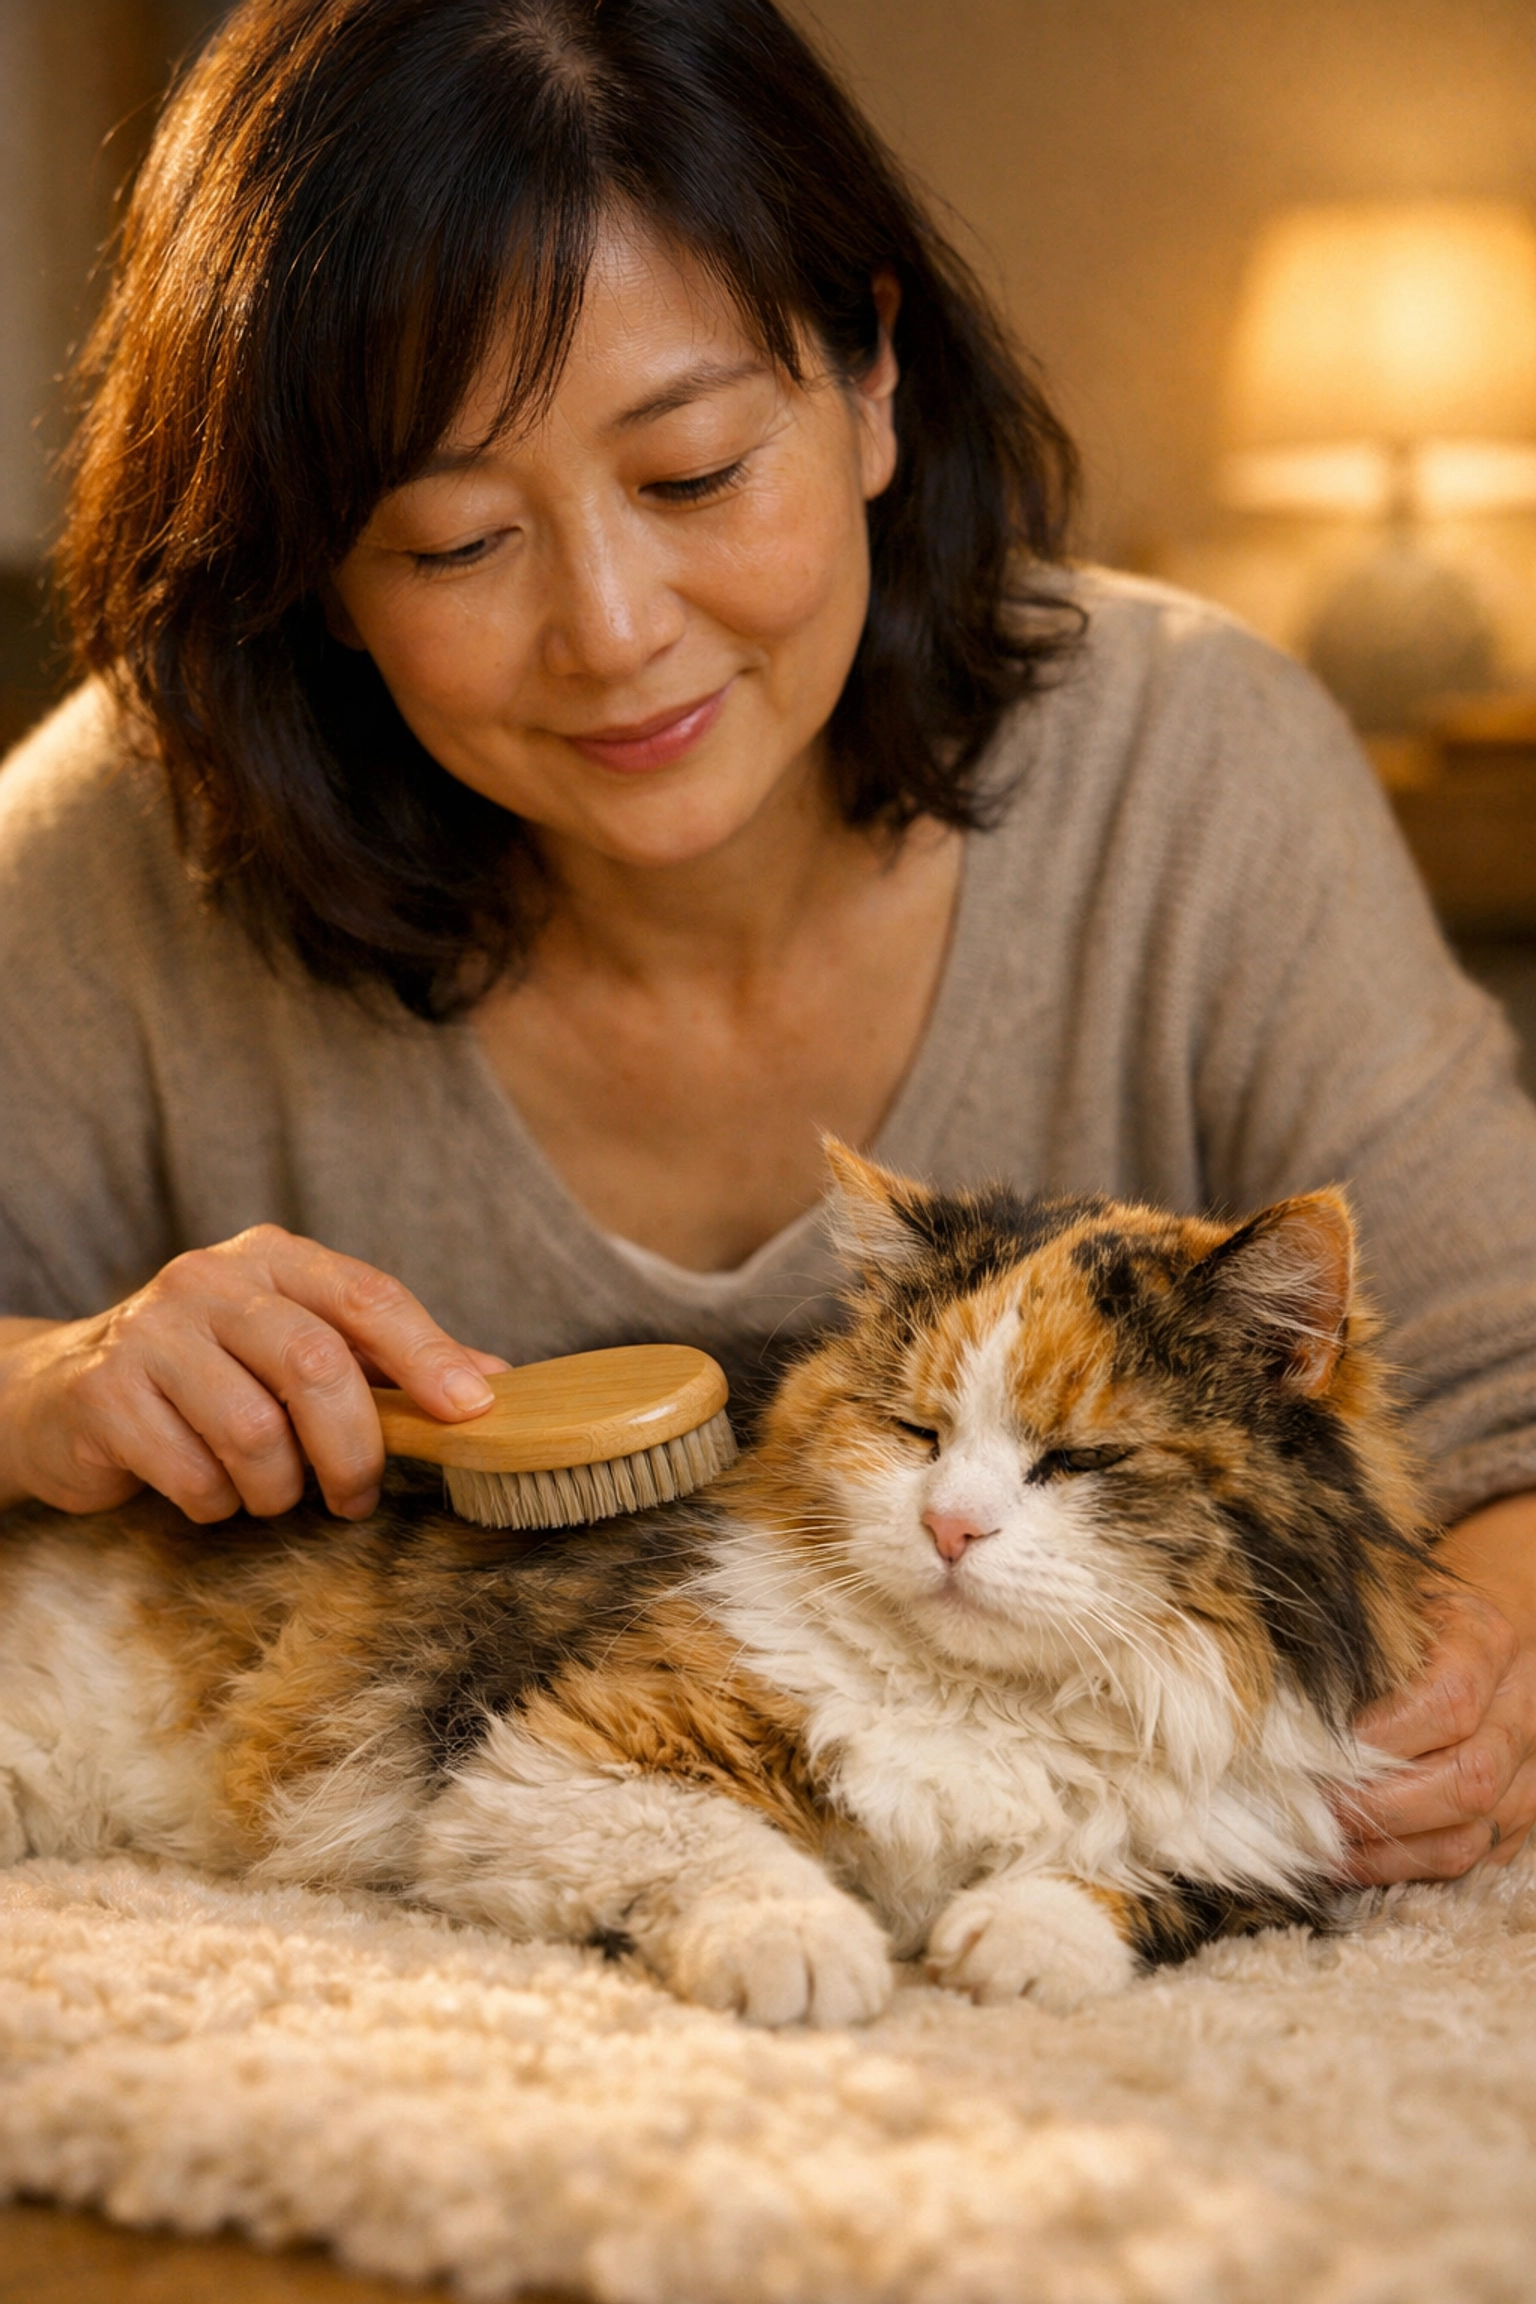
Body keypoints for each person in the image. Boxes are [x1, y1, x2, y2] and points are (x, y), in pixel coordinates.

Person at [0, 0, 1532, 1888]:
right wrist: (47, 1382)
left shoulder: (1198, 768)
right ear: (311, 573)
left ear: (873, 377)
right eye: (456, 543)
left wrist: (1473, 1674)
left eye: (697, 472)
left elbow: (1509, 1398)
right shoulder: (122, 842)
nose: (614, 629)